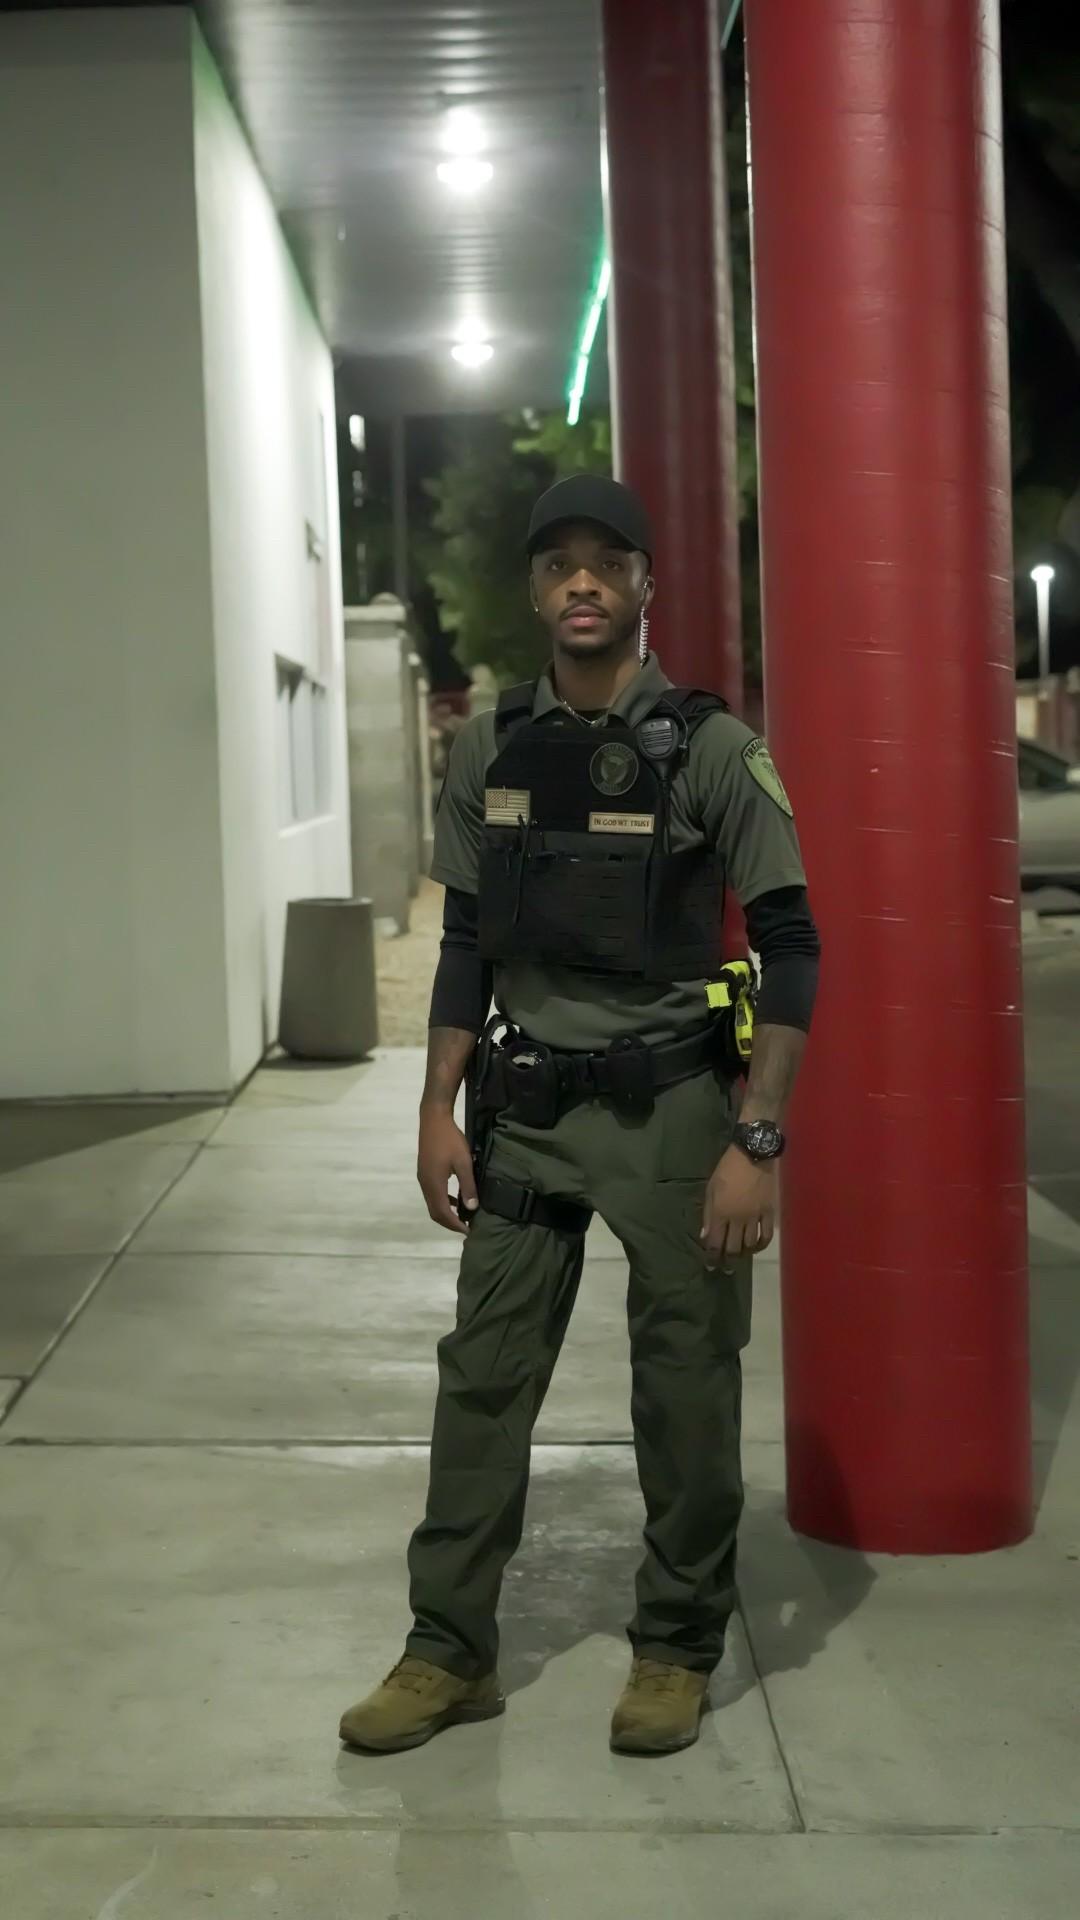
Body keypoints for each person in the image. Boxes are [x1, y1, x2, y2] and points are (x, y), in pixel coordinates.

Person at [340, 474, 820, 1758]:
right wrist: (436, 1110)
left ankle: (677, 1646)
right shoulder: (490, 745)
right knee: (482, 1384)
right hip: (527, 1113)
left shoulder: (712, 748)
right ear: (536, 589)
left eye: (608, 561)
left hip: (674, 1118)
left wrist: (757, 1139)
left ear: (647, 583)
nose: (584, 582)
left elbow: (794, 949)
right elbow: (467, 942)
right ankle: (448, 1651)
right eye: (559, 564)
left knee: (685, 1393)